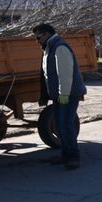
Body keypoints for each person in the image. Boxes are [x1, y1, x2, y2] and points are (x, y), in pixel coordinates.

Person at [33, 23, 87, 170]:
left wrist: (63, 94)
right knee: (60, 124)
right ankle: (65, 154)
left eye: (38, 37)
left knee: (66, 124)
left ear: (46, 34)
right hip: (60, 94)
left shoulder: (60, 47)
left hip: (67, 93)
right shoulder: (50, 47)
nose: (37, 41)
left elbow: (65, 74)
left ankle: (73, 157)